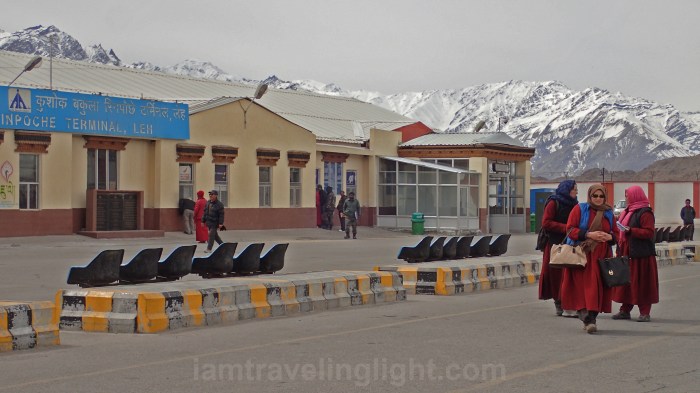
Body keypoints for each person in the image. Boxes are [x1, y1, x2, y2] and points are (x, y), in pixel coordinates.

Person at [560, 184, 619, 334]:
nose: (598, 199)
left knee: (598, 288)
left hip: (602, 256)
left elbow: (617, 234)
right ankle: (587, 317)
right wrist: (588, 234)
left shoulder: (609, 213)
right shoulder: (580, 209)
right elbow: (570, 230)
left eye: (601, 196)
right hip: (583, 255)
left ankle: (591, 317)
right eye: (595, 196)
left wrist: (610, 237)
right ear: (589, 196)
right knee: (582, 288)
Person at [612, 186, 659, 322]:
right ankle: (625, 310)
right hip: (627, 251)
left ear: (635, 196)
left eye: (628, 196)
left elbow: (649, 232)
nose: (626, 198)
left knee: (642, 282)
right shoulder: (627, 212)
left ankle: (645, 312)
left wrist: (631, 230)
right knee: (627, 282)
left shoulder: (645, 213)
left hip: (641, 254)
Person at [538, 180, 578, 317]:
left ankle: (569, 302)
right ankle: (558, 302)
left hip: (571, 243)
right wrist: (566, 228)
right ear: (567, 190)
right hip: (554, 244)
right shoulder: (553, 202)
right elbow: (546, 223)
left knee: (569, 274)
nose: (576, 192)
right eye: (574, 189)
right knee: (556, 274)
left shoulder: (575, 205)